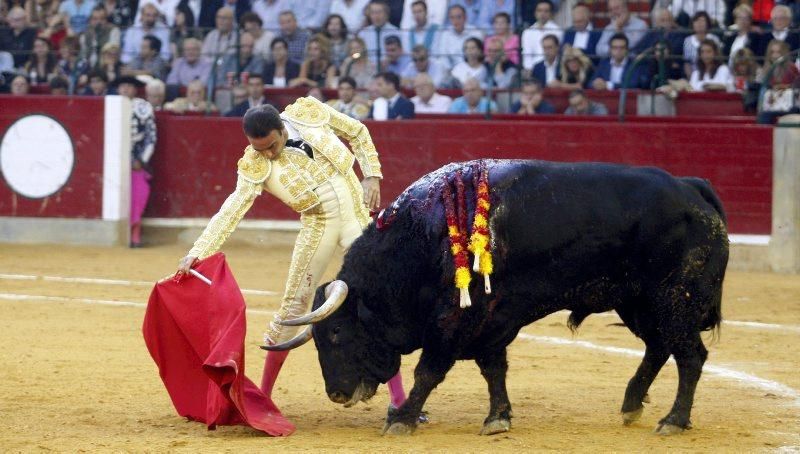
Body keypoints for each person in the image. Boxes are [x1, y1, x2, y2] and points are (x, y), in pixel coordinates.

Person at [175, 96, 410, 419]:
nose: (269, 154)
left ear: (281, 128)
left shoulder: (307, 112)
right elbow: (231, 210)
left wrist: (372, 174)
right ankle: (262, 399)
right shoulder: (255, 164)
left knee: (378, 300)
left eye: (272, 146)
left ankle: (400, 401)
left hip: (356, 216)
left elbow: (356, 131)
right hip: (319, 228)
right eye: (260, 150)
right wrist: (198, 252)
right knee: (293, 307)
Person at [113, 75, 156, 248]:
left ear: (135, 89)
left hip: (135, 161)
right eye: (122, 86)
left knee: (137, 197)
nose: (125, 89)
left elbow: (151, 137)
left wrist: (141, 160)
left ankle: (135, 233)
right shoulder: (111, 105)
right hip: (113, 160)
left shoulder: (143, 107)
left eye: (129, 86)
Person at [357, 1, 403, 70]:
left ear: (386, 14)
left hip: (390, 68)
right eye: (373, 13)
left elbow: (401, 52)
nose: (376, 16)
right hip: (367, 69)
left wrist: (388, 60)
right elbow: (358, 53)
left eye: (379, 12)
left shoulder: (396, 32)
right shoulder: (363, 33)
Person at [436, 4, 484, 71]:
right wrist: (451, 71)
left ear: (465, 18)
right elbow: (443, 57)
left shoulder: (476, 33)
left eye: (458, 17)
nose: (455, 21)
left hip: (473, 70)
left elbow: (480, 56)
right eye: (452, 18)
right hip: (452, 72)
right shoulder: (445, 34)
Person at [521, 0, 563, 70]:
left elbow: (558, 54)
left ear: (551, 13)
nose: (542, 14)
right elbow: (526, 55)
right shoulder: (527, 32)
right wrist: (529, 69)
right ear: (535, 13)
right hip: (533, 70)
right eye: (539, 11)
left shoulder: (558, 31)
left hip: (553, 69)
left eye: (546, 11)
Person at [682, 11, 721, 78]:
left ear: (707, 24)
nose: (699, 24)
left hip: (713, 74)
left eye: (702, 21)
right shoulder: (687, 41)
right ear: (693, 24)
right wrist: (692, 79)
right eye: (696, 21)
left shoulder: (714, 39)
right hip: (694, 75)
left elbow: (719, 60)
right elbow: (687, 63)